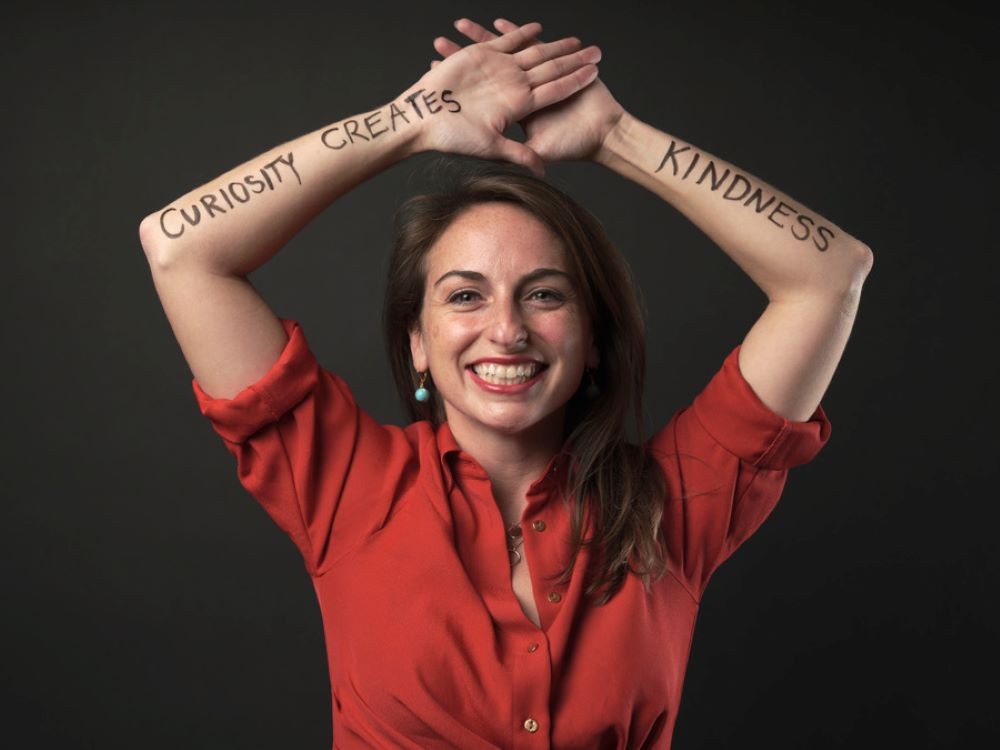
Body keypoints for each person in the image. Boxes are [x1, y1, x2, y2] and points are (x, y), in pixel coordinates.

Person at [140, 16, 870, 749]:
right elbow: (180, 247)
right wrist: (409, 122)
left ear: (593, 341)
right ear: (417, 343)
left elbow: (830, 275)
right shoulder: (344, 483)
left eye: (546, 295)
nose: (507, 329)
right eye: (465, 296)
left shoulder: (677, 502)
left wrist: (617, 138)